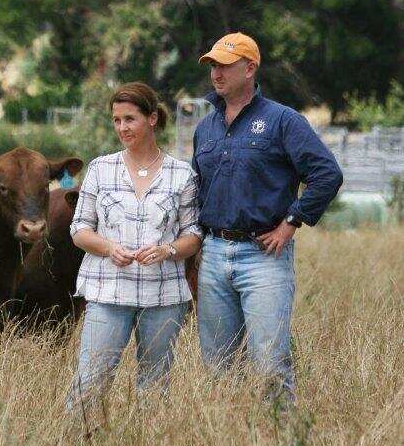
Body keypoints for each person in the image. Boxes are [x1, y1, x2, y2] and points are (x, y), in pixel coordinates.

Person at [193, 32, 343, 401]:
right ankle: (227, 444)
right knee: (216, 365)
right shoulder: (205, 128)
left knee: (270, 363)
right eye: (212, 65)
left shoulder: (282, 121)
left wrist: (292, 222)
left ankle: (278, 443)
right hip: (212, 254)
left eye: (224, 65)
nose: (216, 73)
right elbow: (197, 188)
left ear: (250, 68)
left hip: (264, 256)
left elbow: (327, 174)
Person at [66, 82, 202, 412]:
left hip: (163, 297)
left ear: (152, 118)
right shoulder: (100, 169)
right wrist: (108, 247)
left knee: (155, 387)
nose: (122, 128)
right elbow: (79, 229)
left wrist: (168, 250)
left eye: (130, 119)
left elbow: (194, 235)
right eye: (116, 120)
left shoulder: (181, 174)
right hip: (108, 293)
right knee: (90, 382)